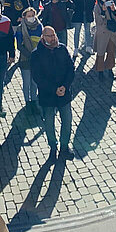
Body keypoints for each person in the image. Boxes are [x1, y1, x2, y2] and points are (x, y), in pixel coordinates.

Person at [29, 26, 76, 160]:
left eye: (53, 35)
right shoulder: (36, 54)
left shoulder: (62, 49)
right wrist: (54, 89)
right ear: (43, 37)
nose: (52, 38)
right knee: (49, 122)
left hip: (64, 93)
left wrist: (65, 86)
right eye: (49, 36)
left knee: (67, 120)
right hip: (47, 95)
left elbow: (70, 69)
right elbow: (38, 77)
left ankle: (64, 147)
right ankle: (53, 146)